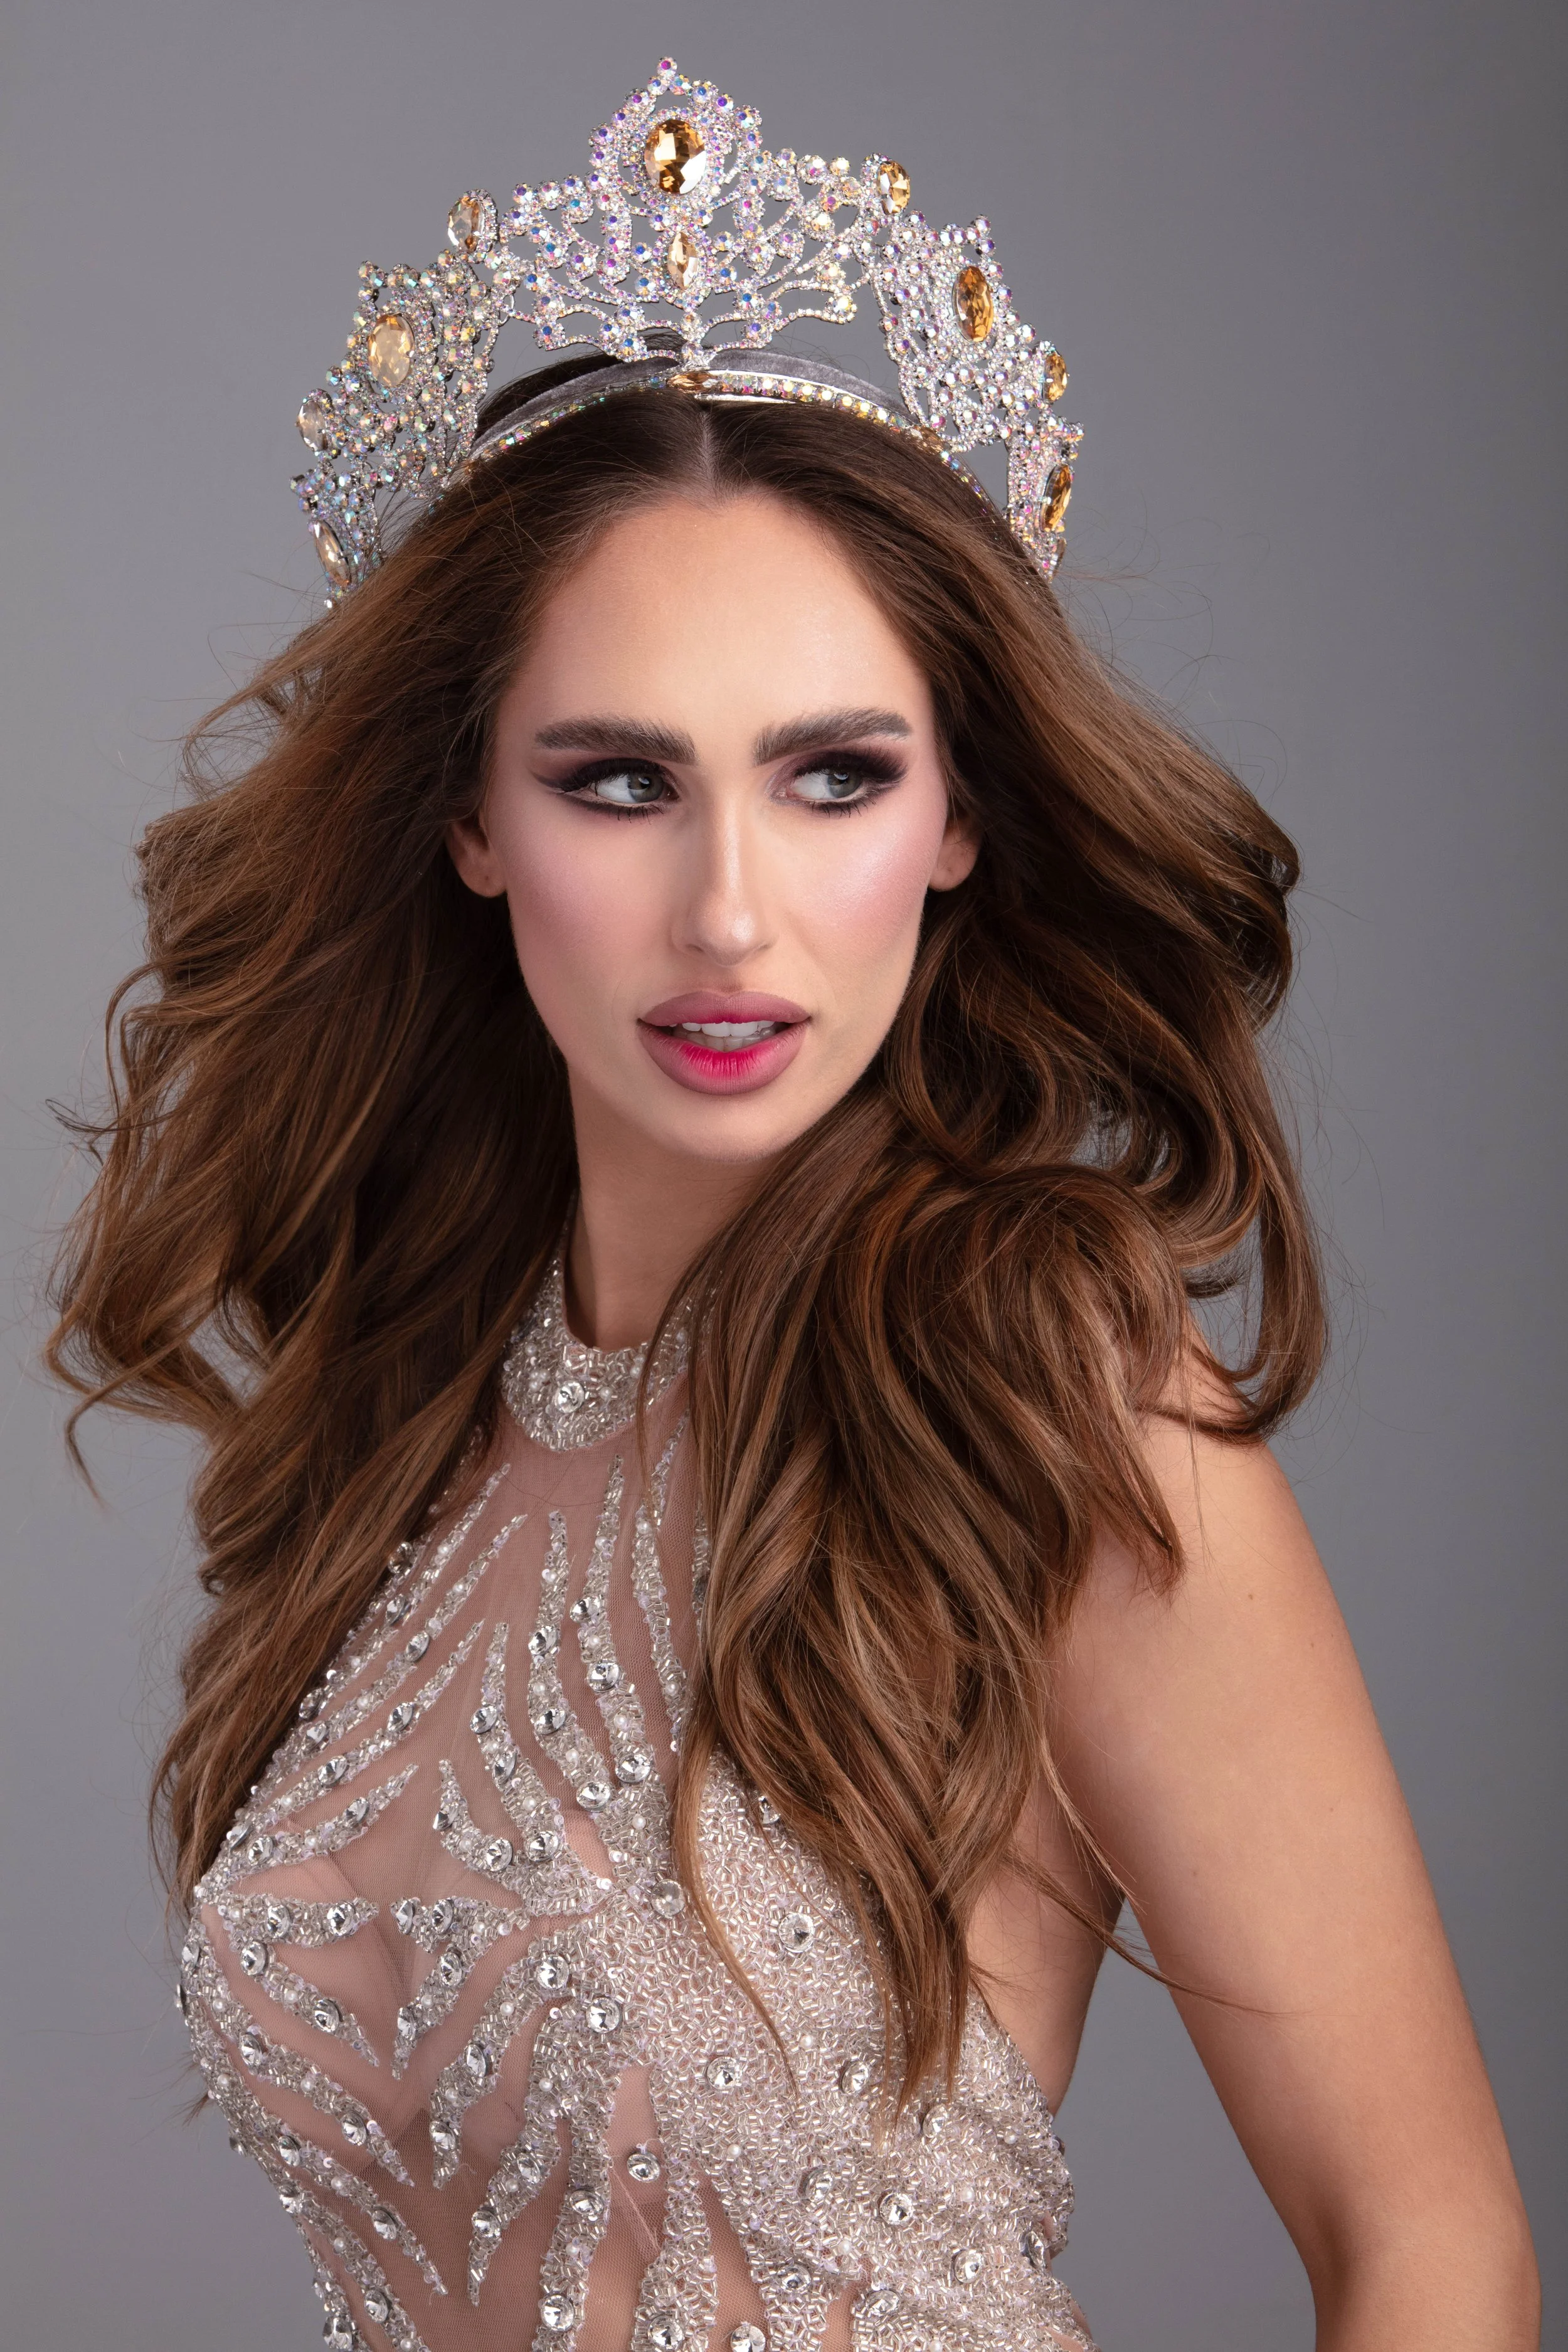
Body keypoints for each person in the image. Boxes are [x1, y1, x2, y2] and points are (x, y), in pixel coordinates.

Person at [48, 64, 1537, 2352]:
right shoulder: (406, 1400)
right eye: (621, 781)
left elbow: (1426, 2242)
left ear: (955, 817)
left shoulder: (1042, 1394)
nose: (730, 913)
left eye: (832, 774)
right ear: (470, 823)